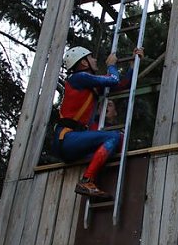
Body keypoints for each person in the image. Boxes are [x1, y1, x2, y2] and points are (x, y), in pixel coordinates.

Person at [52, 46, 141, 201]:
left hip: (70, 140)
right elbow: (113, 80)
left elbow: (120, 85)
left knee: (118, 141)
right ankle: (87, 180)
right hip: (67, 138)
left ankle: (95, 180)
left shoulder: (88, 85)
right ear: (84, 63)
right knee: (112, 137)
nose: (94, 60)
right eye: (91, 57)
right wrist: (111, 65)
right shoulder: (79, 77)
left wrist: (133, 65)